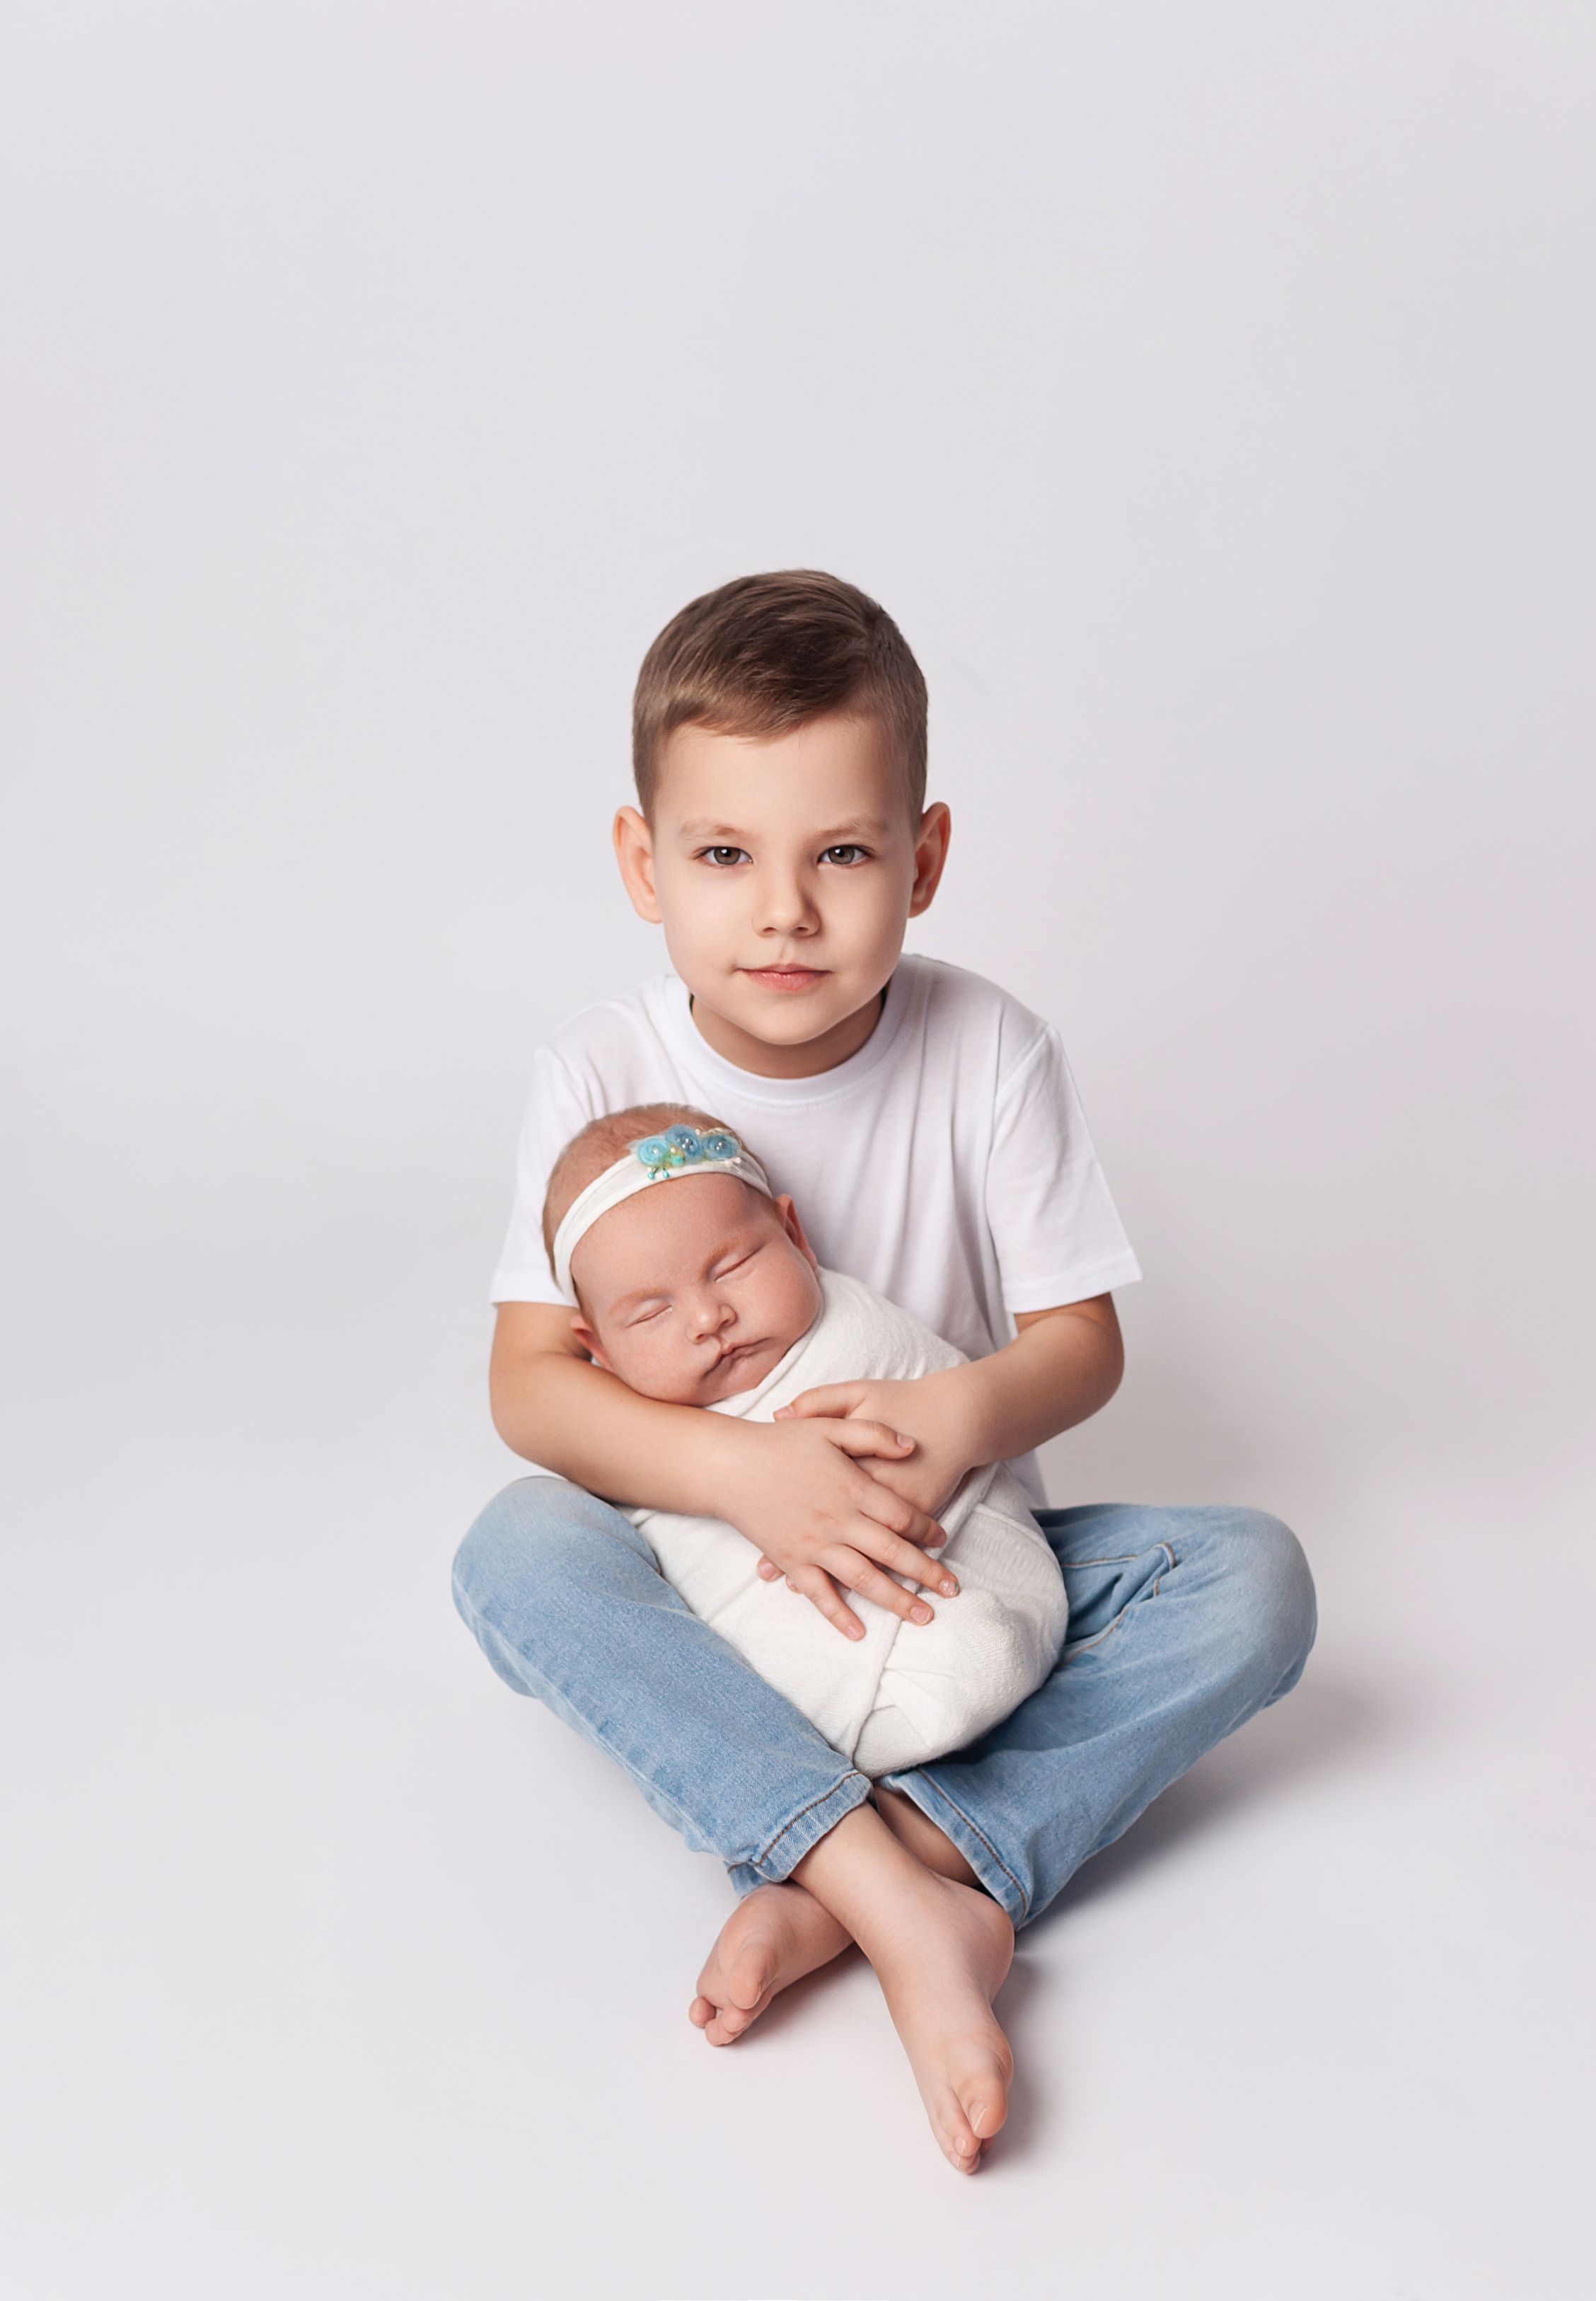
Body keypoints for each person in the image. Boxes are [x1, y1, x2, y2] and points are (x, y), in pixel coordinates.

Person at [452, 569, 1316, 2173]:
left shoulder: (990, 1051)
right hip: (719, 1570)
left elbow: (1080, 1344)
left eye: (840, 855)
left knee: (1251, 1581)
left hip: (953, 1555)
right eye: (724, 856)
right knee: (517, 1551)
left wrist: (956, 1415)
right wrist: (743, 1475)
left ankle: (868, 1868)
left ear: (921, 859)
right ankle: (906, 1906)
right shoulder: (600, 1068)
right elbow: (530, 1389)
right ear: (643, 864)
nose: (783, 912)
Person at [543, 1102, 1071, 1777]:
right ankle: (899, 1806)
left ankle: (859, 1816)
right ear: (598, 1351)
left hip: (991, 1595)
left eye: (732, 1266)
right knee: (533, 1548)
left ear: (794, 1234)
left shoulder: (859, 1331)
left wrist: (946, 1424)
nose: (708, 1317)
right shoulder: (622, 1434)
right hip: (812, 1688)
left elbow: (951, 1391)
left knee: (1198, 1581)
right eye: (650, 1313)